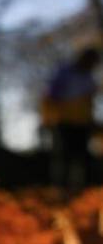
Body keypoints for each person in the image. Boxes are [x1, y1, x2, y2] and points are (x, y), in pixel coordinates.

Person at [43, 47, 99, 191]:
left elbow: (89, 102)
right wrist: (47, 118)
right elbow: (50, 97)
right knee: (63, 157)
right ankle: (60, 190)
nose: (91, 65)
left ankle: (83, 190)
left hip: (82, 123)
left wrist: (91, 120)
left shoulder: (89, 78)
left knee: (83, 157)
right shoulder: (64, 73)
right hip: (63, 121)